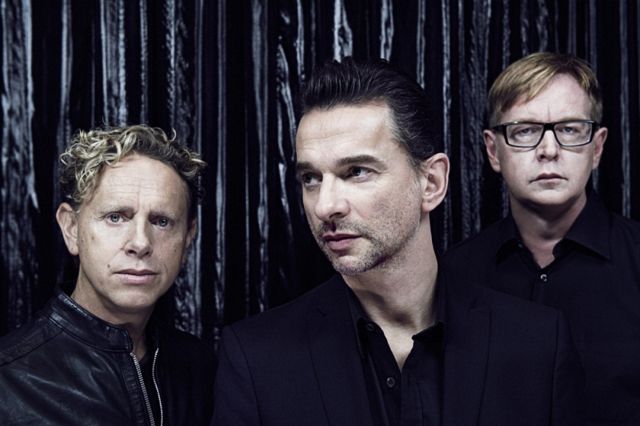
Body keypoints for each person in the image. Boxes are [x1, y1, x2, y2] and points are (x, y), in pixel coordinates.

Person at [213, 58, 584, 425]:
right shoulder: (257, 359)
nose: (325, 206)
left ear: (431, 183)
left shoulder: (537, 345)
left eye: (356, 172)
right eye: (311, 178)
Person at [444, 52, 640, 425]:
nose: (549, 150)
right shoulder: (453, 276)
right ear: (493, 150)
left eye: (569, 129)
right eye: (525, 131)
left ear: (597, 147)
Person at [0, 125, 213, 425]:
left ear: (188, 237)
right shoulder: (9, 381)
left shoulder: (203, 370)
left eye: (161, 221)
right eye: (116, 217)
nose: (140, 242)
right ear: (71, 229)